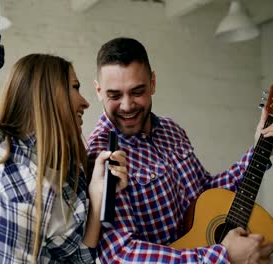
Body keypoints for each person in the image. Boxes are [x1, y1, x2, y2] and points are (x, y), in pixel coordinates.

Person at [0, 1, 128, 263]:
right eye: (74, 87)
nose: (84, 102)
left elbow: (80, 258)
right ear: (48, 93)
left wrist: (97, 196)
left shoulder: (72, 174)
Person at [87, 37, 273, 263]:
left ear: (153, 83)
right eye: (114, 95)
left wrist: (258, 149)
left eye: (137, 92)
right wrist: (222, 256)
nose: (127, 106)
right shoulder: (101, 156)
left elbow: (205, 194)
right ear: (98, 90)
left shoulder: (170, 130)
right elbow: (120, 255)